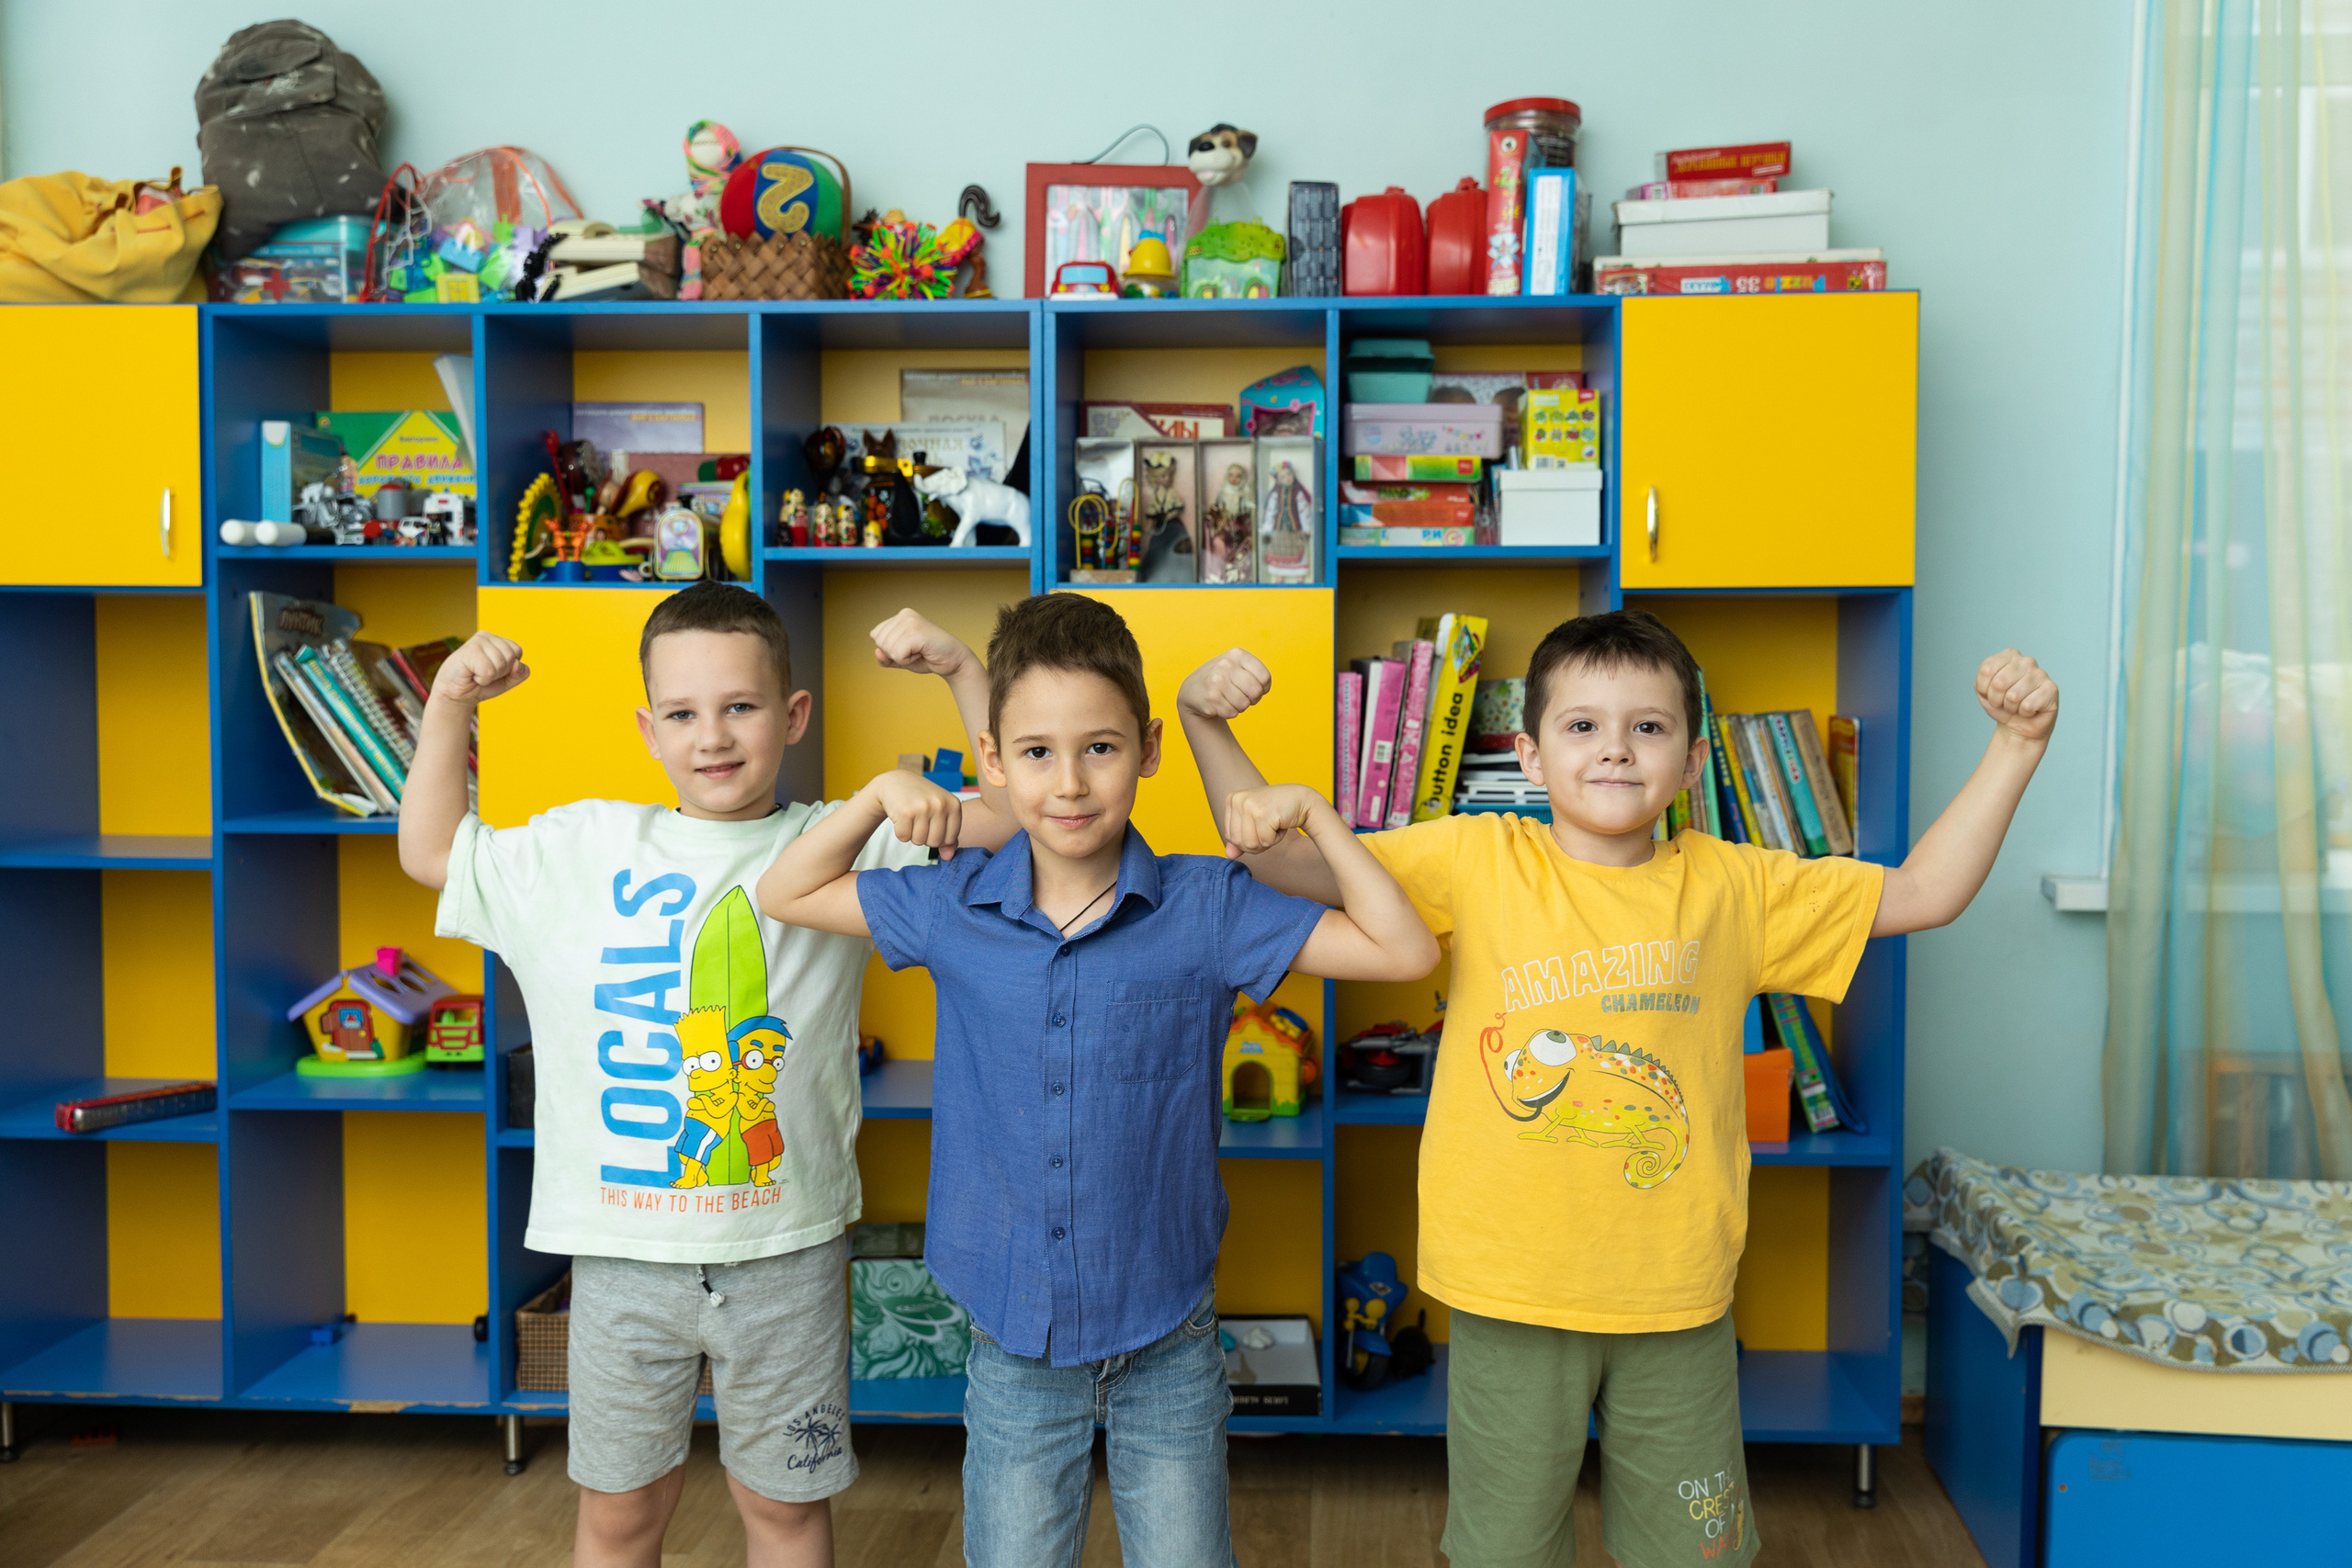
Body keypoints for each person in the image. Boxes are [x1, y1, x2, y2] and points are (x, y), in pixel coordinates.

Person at [1177, 608, 2058, 1568]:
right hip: (1508, 1289)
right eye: (1582, 726)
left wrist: (2016, 745)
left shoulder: (1736, 886)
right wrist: (1205, 727)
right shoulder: (1473, 861)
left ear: (1689, 761)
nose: (1615, 751)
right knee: (1502, 1552)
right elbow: (1284, 861)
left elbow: (1924, 891)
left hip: (1675, 1298)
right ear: (1529, 753)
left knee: (1694, 1551)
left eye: (1648, 727)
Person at [756, 592, 1439, 1568]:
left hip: (1168, 1333)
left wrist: (1318, 819)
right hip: (1012, 1341)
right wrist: (875, 797)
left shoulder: (1207, 904)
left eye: (1101, 749)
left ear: (1150, 747)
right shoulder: (953, 903)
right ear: (991, 761)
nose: (1068, 783)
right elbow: (785, 890)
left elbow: (1403, 947)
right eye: (1034, 753)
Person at [398, 582, 1011, 1568]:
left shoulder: (842, 843)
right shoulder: (583, 845)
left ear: (793, 715)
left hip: (787, 1253)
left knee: (784, 1514)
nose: (711, 737)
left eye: (740, 707)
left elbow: (1024, 811)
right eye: (682, 713)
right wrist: (449, 708)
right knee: (621, 1518)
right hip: (618, 1260)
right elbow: (431, 850)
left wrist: (957, 669)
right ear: (647, 729)